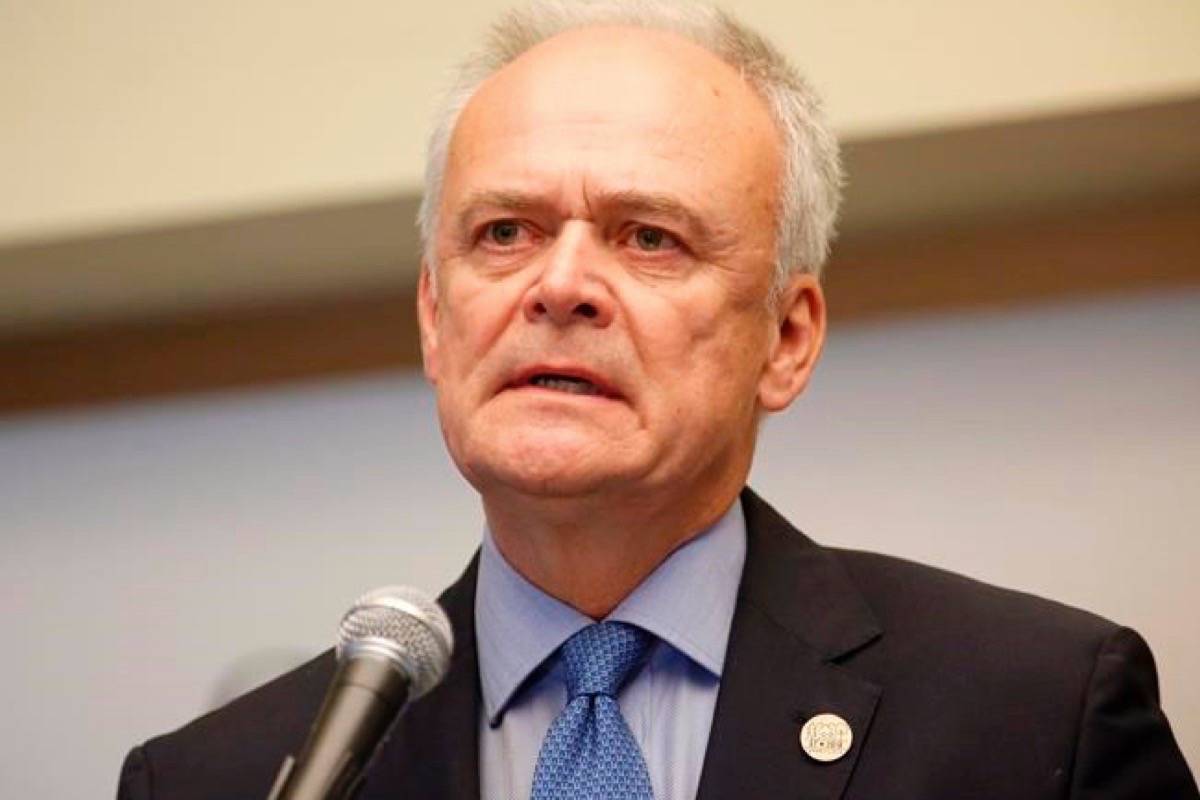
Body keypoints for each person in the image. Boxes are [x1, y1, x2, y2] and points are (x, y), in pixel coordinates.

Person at [117, 2, 1198, 798]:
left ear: (786, 337)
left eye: (649, 237)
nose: (561, 284)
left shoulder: (1033, 714)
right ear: (435, 321)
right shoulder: (216, 777)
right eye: (505, 232)